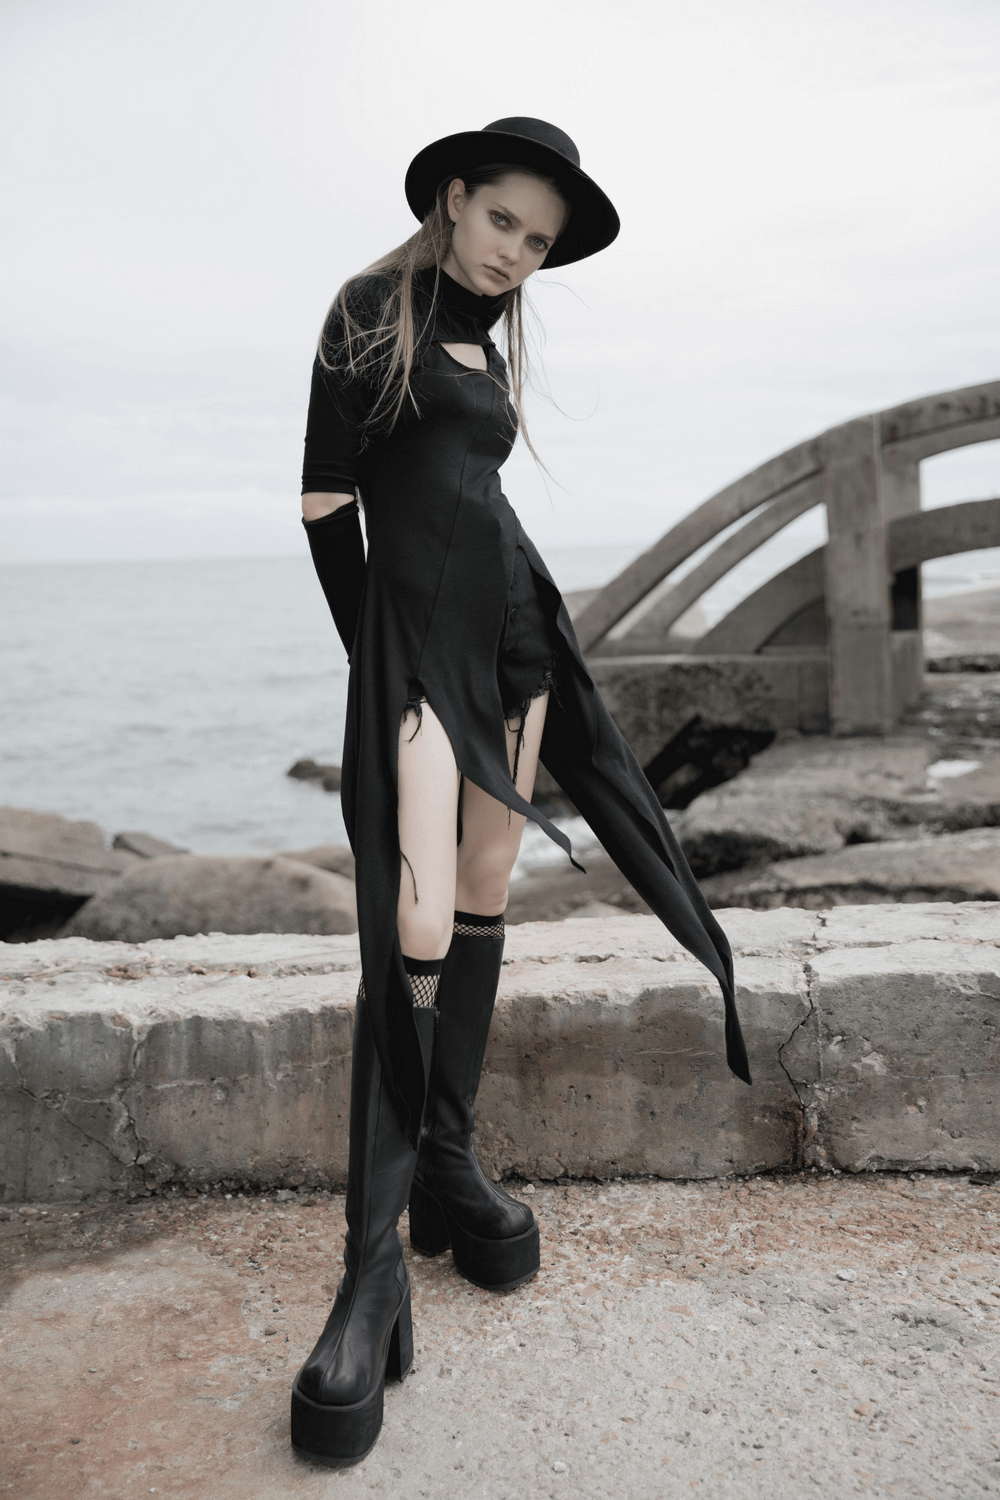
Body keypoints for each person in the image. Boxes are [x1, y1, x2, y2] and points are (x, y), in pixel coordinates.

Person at [290, 116, 751, 1468]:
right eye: (504, 222)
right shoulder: (369, 312)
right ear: (453, 197)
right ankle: (372, 1270)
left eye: (539, 243)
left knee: (486, 895)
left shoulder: (489, 343)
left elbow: (473, 500)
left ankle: (449, 1164)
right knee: (413, 929)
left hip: (517, 647)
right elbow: (325, 504)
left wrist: (509, 636)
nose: (516, 255)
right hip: (422, 662)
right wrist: (379, 657)